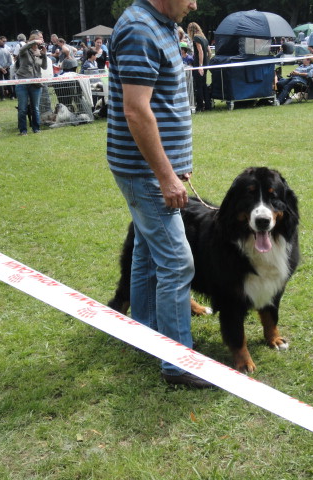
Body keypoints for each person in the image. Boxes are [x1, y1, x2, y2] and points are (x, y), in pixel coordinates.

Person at [107, 0, 213, 389]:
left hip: (150, 169)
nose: (195, 4)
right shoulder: (139, 29)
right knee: (177, 263)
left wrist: (174, 162)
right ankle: (178, 361)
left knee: (147, 255)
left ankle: (146, 334)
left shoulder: (161, 24)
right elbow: (136, 111)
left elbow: (162, 103)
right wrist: (166, 175)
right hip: (144, 173)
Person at [15, 33, 47, 135]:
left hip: (36, 83)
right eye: (38, 40)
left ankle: (36, 129)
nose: (39, 42)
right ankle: (23, 130)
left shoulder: (39, 52)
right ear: (32, 40)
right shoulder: (25, 51)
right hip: (23, 82)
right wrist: (33, 42)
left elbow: (44, 67)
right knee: (22, 108)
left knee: (35, 108)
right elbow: (21, 50)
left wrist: (44, 55)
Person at [187, 22, 211, 112]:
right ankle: (208, 105)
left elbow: (200, 51)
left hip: (199, 65)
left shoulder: (196, 38)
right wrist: (206, 62)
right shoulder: (204, 38)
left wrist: (200, 65)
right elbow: (209, 52)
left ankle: (200, 106)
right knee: (204, 85)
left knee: (199, 86)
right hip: (205, 64)